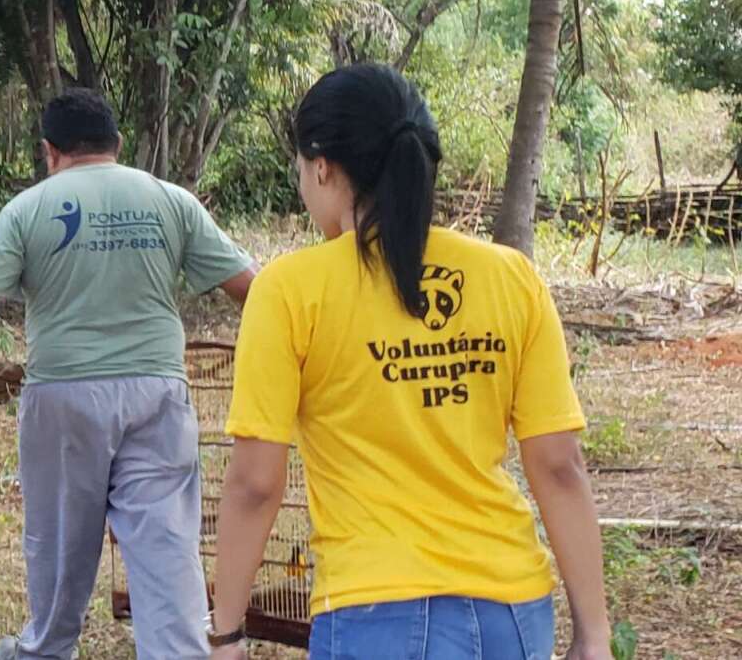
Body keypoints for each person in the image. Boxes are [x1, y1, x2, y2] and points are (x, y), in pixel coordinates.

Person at [208, 63, 608, 660]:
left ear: (322, 167)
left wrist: (226, 633)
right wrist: (595, 635)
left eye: (300, 171)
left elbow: (255, 485)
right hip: (513, 611)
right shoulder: (510, 278)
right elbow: (559, 467)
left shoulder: (290, 291)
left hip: (376, 615)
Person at [0, 88, 257, 660]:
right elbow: (251, 289)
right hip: (158, 392)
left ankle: (46, 649)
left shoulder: (30, 209)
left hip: (62, 395)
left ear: (50, 151)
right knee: (166, 540)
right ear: (116, 143)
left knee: (61, 537)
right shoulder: (171, 201)